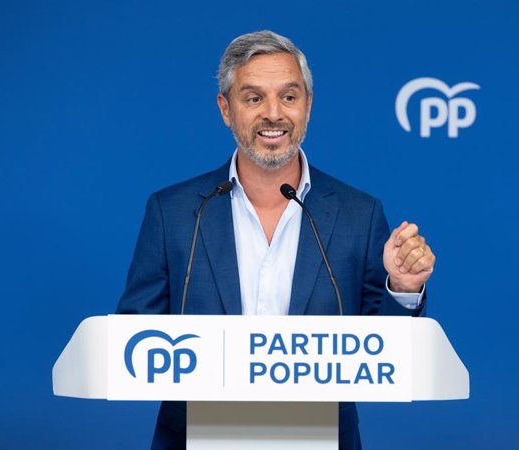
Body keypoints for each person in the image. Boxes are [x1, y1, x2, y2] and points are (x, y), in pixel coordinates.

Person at [117, 30, 436, 450]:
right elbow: (133, 338)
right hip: (194, 437)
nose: (273, 114)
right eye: (253, 98)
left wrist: (403, 287)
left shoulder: (361, 214)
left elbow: (388, 358)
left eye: (289, 97)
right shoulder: (173, 212)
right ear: (225, 109)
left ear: (308, 106)